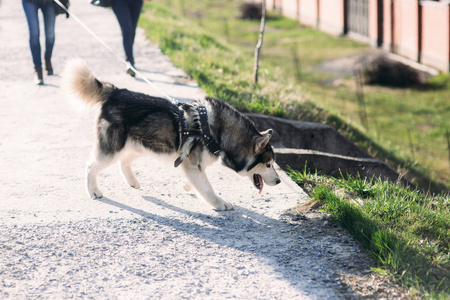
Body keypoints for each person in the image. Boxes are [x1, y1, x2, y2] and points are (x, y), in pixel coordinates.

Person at [22, 0, 69, 85]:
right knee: (34, 33)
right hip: (29, 2)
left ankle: (47, 58)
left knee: (50, 35)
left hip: (49, 2)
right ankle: (38, 69)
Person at [112, 0, 149, 77]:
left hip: (136, 2)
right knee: (127, 29)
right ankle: (130, 62)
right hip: (119, 2)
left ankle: (129, 58)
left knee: (132, 29)